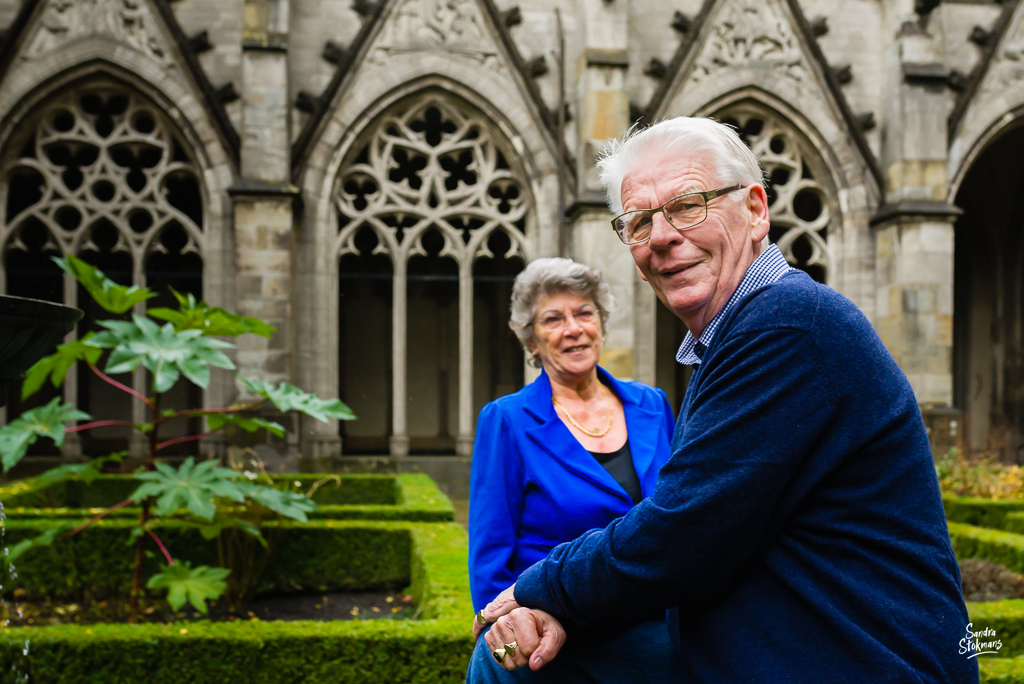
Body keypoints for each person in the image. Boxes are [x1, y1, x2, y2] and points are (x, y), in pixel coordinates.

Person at [474, 117, 978, 682]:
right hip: (786, 650)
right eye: (638, 222)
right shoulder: (746, 334)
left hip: (862, 664)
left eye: (689, 205)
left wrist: (541, 589)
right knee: (510, 658)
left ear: (757, 210)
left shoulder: (783, 327)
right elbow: (693, 534)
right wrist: (545, 608)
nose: (661, 236)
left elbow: (679, 535)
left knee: (505, 668)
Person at [467, 257, 679, 682]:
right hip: (555, 632)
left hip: (650, 624)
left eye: (584, 313)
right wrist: (506, 638)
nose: (573, 328)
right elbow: (491, 554)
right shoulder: (507, 419)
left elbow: (677, 512)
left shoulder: (651, 405)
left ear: (600, 322)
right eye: (553, 319)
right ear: (532, 340)